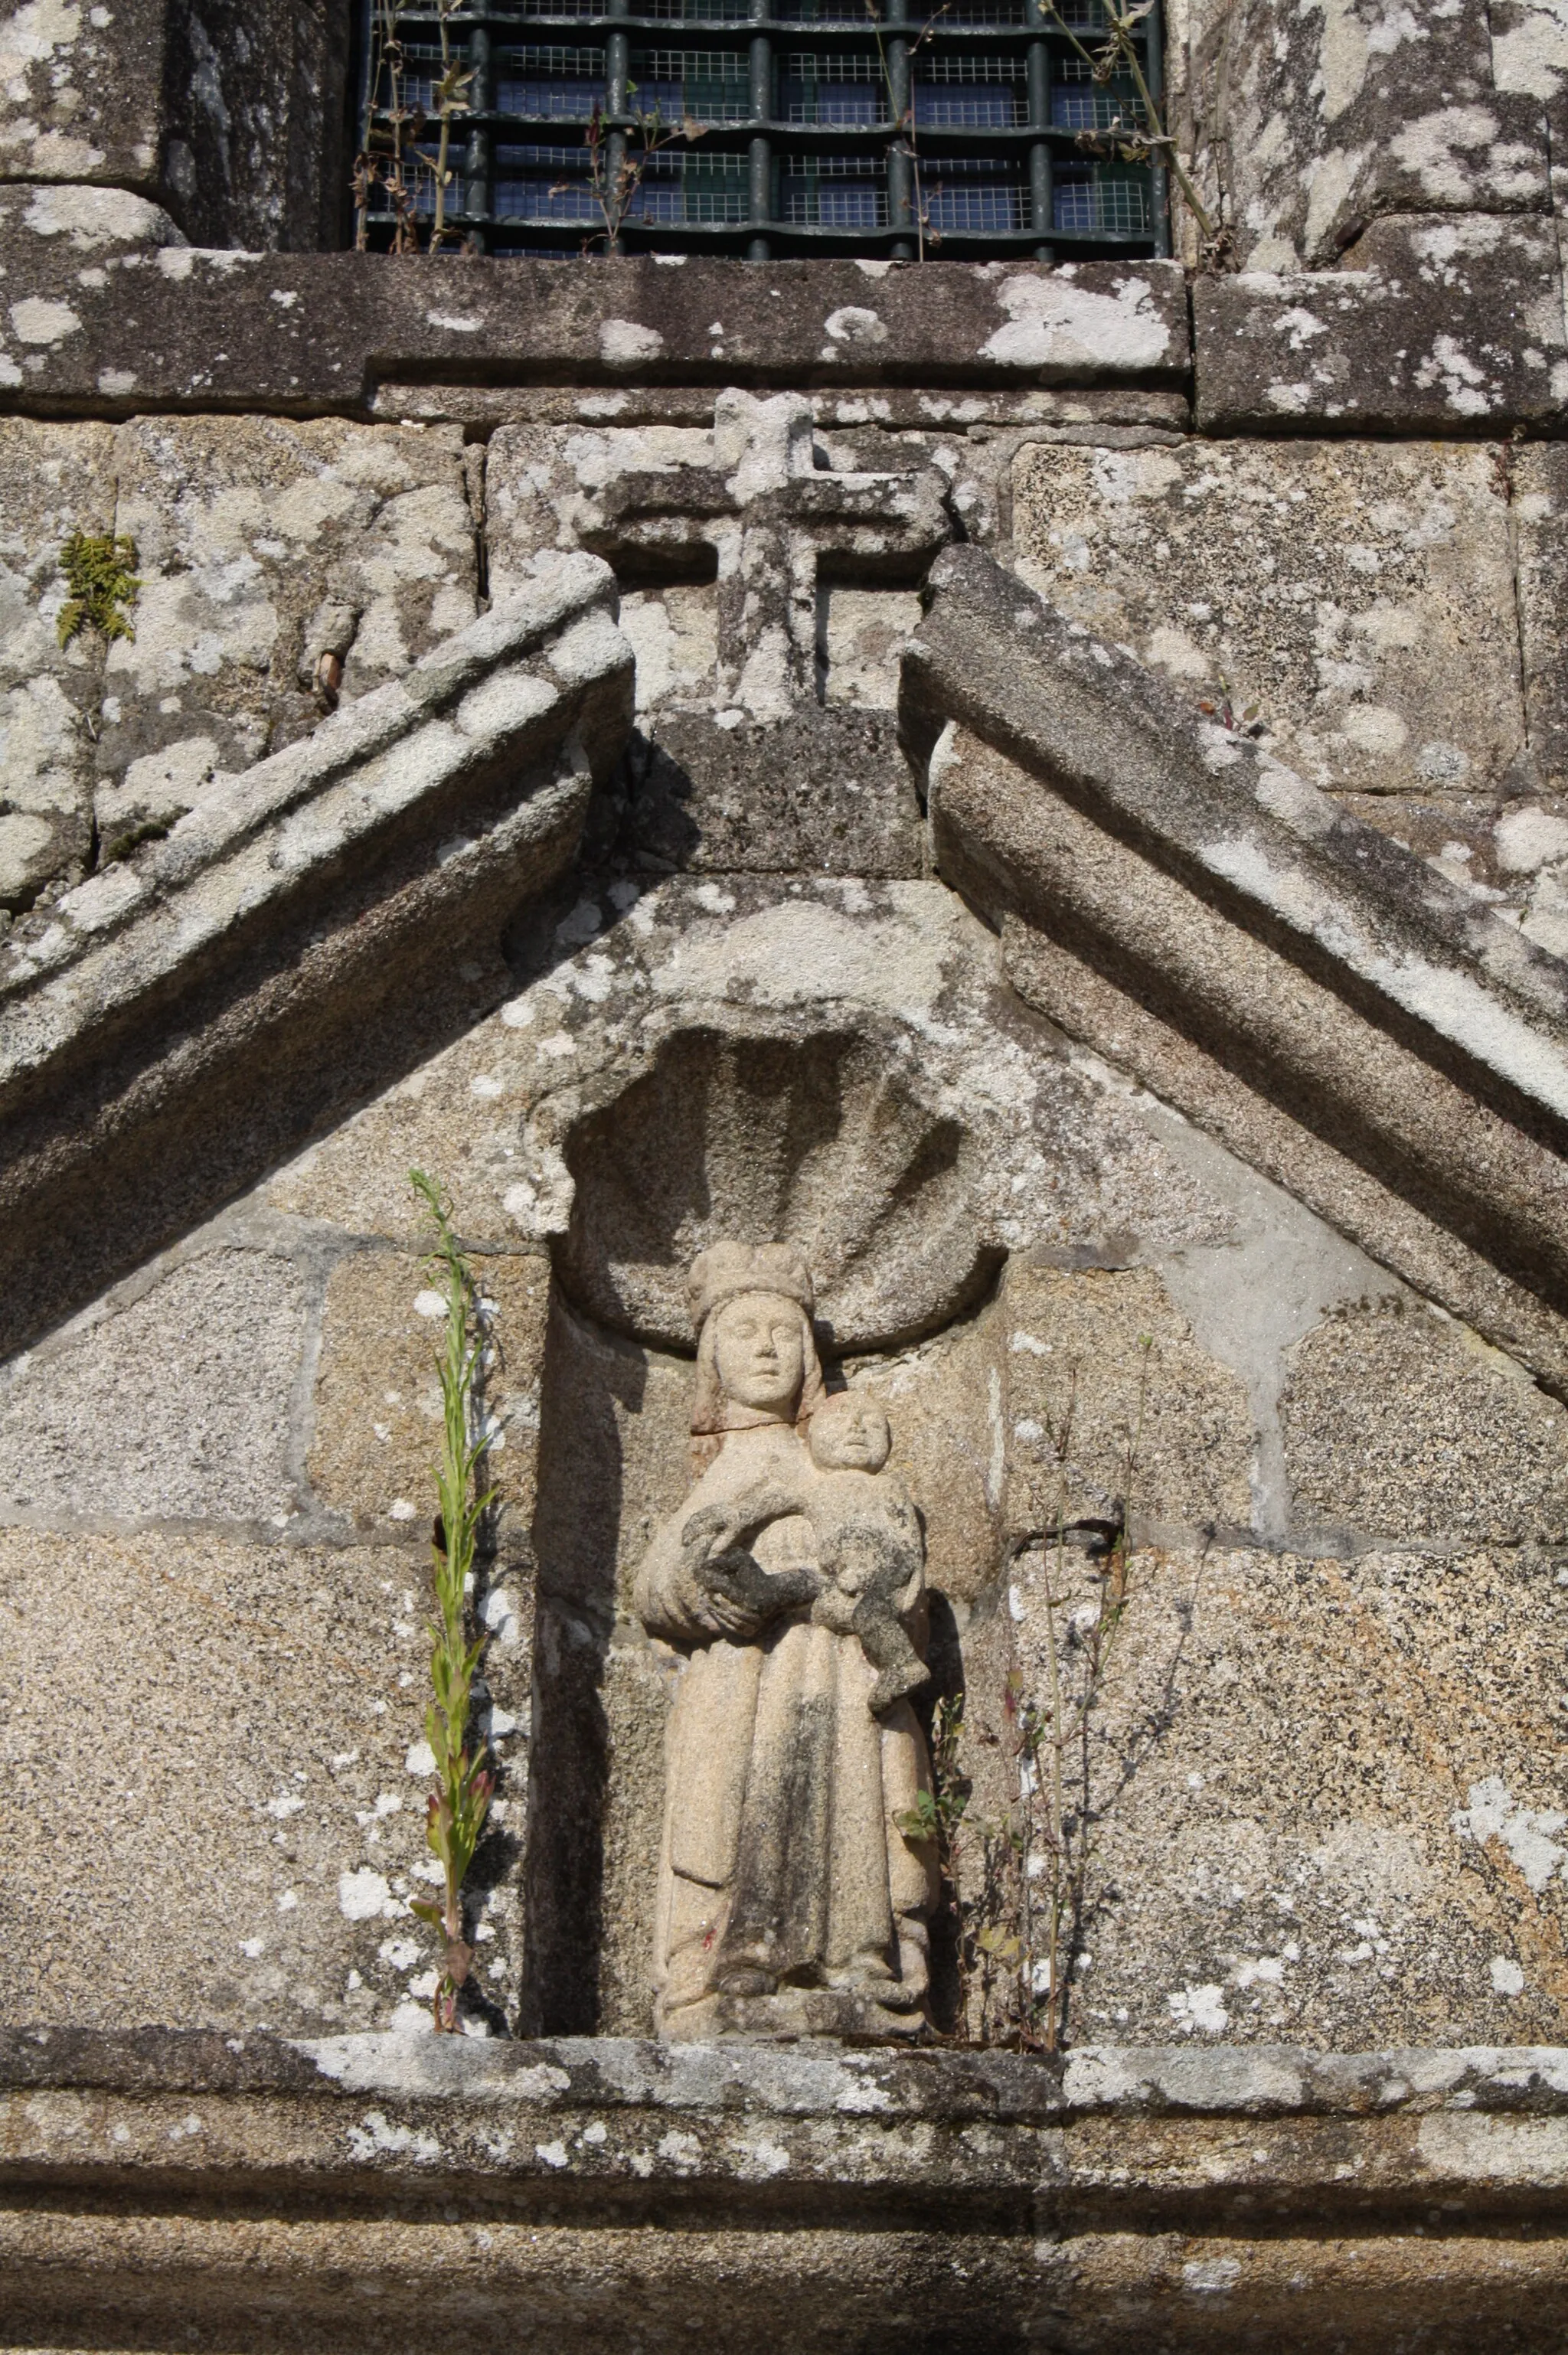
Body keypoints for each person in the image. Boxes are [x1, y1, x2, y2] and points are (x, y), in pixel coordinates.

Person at [634, 1240, 935, 2039]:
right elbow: (658, 1583)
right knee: (734, 1807)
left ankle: (861, 1960)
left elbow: (899, 1578)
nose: (766, 1347)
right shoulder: (730, 1464)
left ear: (809, 1354)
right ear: (708, 1358)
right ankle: (721, 1969)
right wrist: (715, 1594)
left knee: (851, 1802)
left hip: (839, 1677)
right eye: (744, 1331)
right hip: (741, 1681)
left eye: (783, 1331)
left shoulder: (838, 1457)